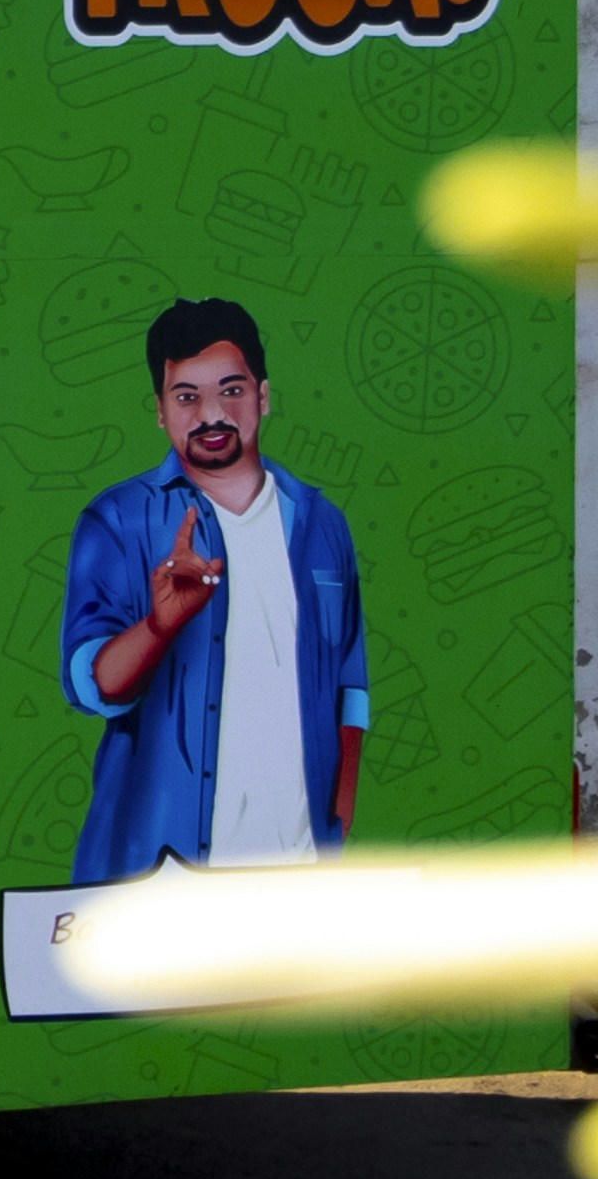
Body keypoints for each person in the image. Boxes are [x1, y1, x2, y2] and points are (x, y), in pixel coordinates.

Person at [57, 298, 367, 884]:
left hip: (299, 868)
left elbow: (350, 677)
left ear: (263, 396)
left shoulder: (322, 523)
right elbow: (91, 686)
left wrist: (340, 808)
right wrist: (161, 625)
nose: (211, 414)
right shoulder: (117, 521)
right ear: (160, 410)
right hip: (163, 865)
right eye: (187, 397)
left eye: (231, 390)